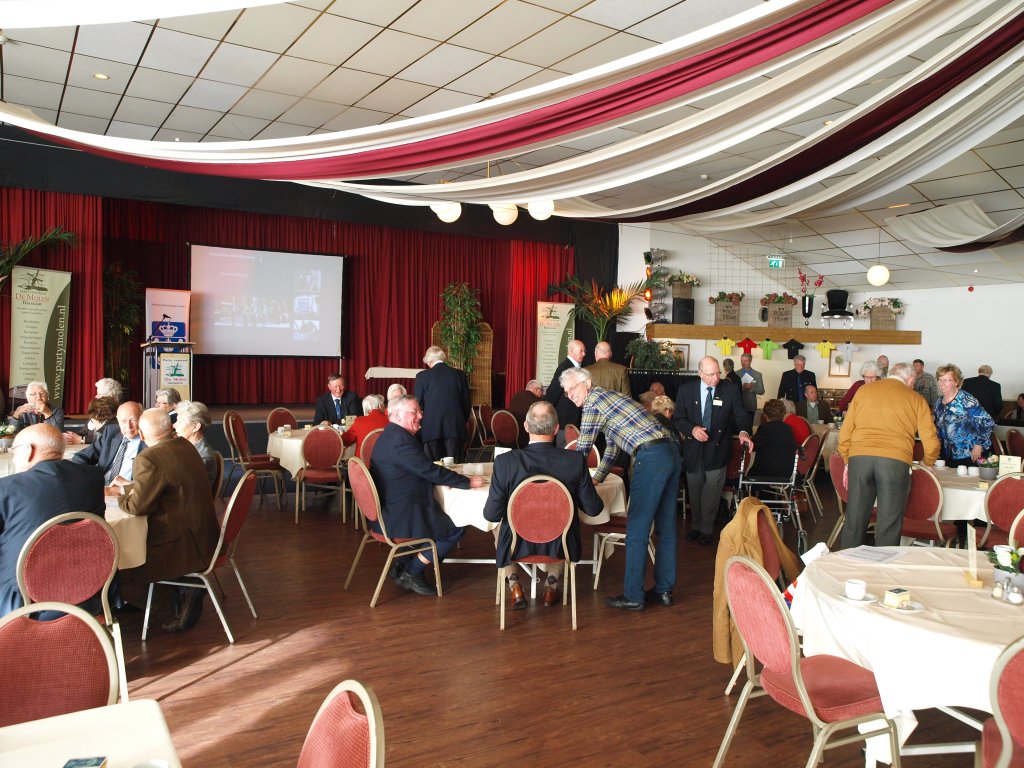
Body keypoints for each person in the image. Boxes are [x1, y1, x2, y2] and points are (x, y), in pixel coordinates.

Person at [561, 367, 680, 611]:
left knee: (637, 528)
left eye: (572, 388)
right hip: (670, 452)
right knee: (666, 528)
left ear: (587, 383)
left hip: (651, 457)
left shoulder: (593, 400)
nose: (570, 394)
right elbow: (613, 448)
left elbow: (583, 448)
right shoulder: (611, 398)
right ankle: (664, 591)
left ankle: (633, 596)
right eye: (566, 392)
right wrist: (597, 478)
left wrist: (566, 481)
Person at [483, 401, 603, 609]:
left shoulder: (505, 462)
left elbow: (491, 514)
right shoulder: (575, 461)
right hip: (559, 544)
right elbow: (593, 509)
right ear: (556, 429)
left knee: (499, 525)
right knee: (566, 522)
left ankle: (515, 586)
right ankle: (551, 587)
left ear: (526, 427)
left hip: (517, 544)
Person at [114, 409, 220, 632]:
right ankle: (178, 591)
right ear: (170, 428)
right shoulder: (185, 446)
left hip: (181, 545)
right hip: (205, 537)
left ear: (142, 434)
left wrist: (121, 495)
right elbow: (164, 485)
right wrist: (133, 489)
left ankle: (173, 602)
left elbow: (136, 507)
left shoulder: (148, 458)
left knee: (119, 569)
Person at [369, 395, 484, 596]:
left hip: (391, 507)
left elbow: (419, 469)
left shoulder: (391, 435)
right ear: (396, 415)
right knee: (456, 526)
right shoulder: (401, 441)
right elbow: (428, 470)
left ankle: (402, 564)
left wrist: (441, 479)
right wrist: (467, 482)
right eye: (414, 412)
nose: (421, 415)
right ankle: (411, 572)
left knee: (443, 516)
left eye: (420, 411)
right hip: (400, 514)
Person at [0, 424, 105, 615]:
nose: (13, 457)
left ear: (29, 450)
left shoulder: (6, 488)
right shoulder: (93, 477)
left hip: (24, 601)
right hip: (88, 593)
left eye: (14, 450)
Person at [838, 362, 940, 548]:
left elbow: (846, 431)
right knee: (889, 521)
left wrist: (846, 460)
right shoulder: (916, 399)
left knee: (855, 518)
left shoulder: (864, 391)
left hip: (860, 458)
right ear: (910, 378)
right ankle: (883, 563)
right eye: (913, 382)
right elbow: (930, 440)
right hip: (895, 461)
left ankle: (846, 562)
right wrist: (928, 462)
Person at [673, 357, 753, 546]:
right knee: (694, 489)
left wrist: (744, 432)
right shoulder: (686, 390)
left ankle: (706, 528)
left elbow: (741, 415)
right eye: (711, 374)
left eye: (718, 373)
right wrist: (692, 429)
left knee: (712, 489)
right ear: (700, 373)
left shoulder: (730, 389)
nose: (716, 378)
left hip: (718, 448)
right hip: (694, 448)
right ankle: (695, 525)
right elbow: (678, 419)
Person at [414, 346, 471, 463]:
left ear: (429, 361)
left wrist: (421, 422)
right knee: (456, 468)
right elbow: (466, 404)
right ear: (443, 358)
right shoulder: (460, 375)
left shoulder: (422, 376)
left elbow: (418, 404)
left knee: (433, 467)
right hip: (455, 427)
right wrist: (461, 420)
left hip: (431, 429)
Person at [934, 364, 995, 467]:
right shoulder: (939, 402)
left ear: (956, 382)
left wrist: (979, 445)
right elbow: (940, 426)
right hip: (948, 454)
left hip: (970, 453)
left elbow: (988, 422)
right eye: (940, 380)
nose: (942, 383)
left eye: (946, 380)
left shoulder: (966, 400)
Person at [72, 400, 145, 485]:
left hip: (126, 490)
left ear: (142, 418)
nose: (128, 426)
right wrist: (91, 479)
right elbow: (81, 457)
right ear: (118, 420)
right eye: (123, 421)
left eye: (133, 420)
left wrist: (126, 487)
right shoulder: (111, 433)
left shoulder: (148, 440)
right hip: (101, 487)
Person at [544, 339, 585, 435]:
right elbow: (553, 392)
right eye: (581, 351)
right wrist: (546, 412)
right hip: (566, 421)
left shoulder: (575, 366)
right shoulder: (565, 368)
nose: (584, 354)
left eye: (584, 351)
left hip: (573, 420)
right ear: (571, 351)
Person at [173, 400, 218, 489]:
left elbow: (184, 487)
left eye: (180, 421)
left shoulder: (204, 458)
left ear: (196, 427)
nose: (174, 425)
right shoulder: (186, 446)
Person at [750, 399, 799, 478]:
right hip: (786, 472)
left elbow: (753, 447)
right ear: (783, 413)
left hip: (766, 473)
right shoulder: (788, 428)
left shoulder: (765, 428)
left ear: (765, 415)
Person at [342, 394, 389, 459]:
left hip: (363, 463)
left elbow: (345, 440)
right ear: (380, 406)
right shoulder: (391, 420)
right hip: (386, 462)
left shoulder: (359, 421)